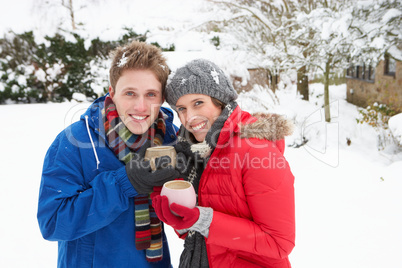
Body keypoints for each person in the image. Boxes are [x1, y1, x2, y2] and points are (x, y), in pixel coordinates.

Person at [37, 41, 181, 268]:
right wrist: (124, 183)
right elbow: (53, 223)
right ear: (112, 93)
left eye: (150, 94)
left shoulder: (171, 139)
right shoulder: (74, 141)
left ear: (162, 98)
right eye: (130, 93)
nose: (141, 106)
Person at [152, 59, 295, 267]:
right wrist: (182, 221)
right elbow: (205, 237)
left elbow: (279, 243)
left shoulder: (257, 153)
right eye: (181, 108)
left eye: (198, 103)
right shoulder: (193, 151)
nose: (190, 117)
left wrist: (203, 220)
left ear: (219, 101)